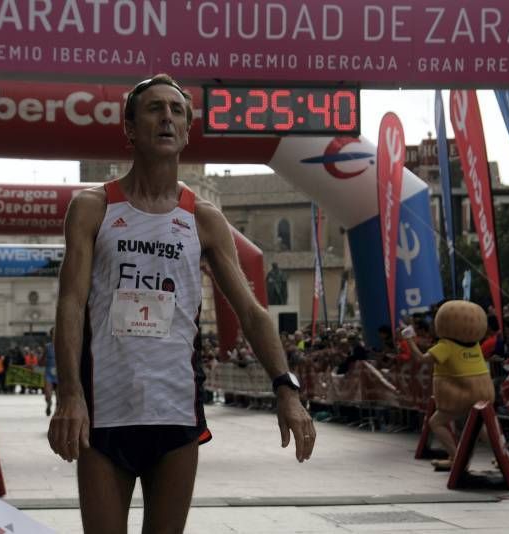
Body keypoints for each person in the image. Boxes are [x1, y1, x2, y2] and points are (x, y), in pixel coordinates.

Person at [47, 74, 315, 534]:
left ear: (187, 132)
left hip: (175, 413)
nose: (167, 117)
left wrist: (286, 389)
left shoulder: (203, 218)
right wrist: (69, 394)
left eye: (176, 110)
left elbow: (250, 312)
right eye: (154, 108)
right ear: (130, 128)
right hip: (104, 412)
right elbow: (70, 305)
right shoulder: (93, 207)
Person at [403, 301, 494, 472]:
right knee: (478, 424)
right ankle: (502, 456)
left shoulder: (446, 346)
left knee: (435, 422)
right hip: (484, 391)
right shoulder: (474, 344)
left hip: (462, 394)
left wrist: (409, 339)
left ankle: (456, 457)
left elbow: (421, 359)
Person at [43, 327, 58, 416]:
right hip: (49, 373)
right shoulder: (47, 346)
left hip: (60, 374)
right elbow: (41, 360)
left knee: (59, 397)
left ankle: (57, 411)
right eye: (53, 334)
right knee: (48, 394)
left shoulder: (63, 345)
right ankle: (49, 403)